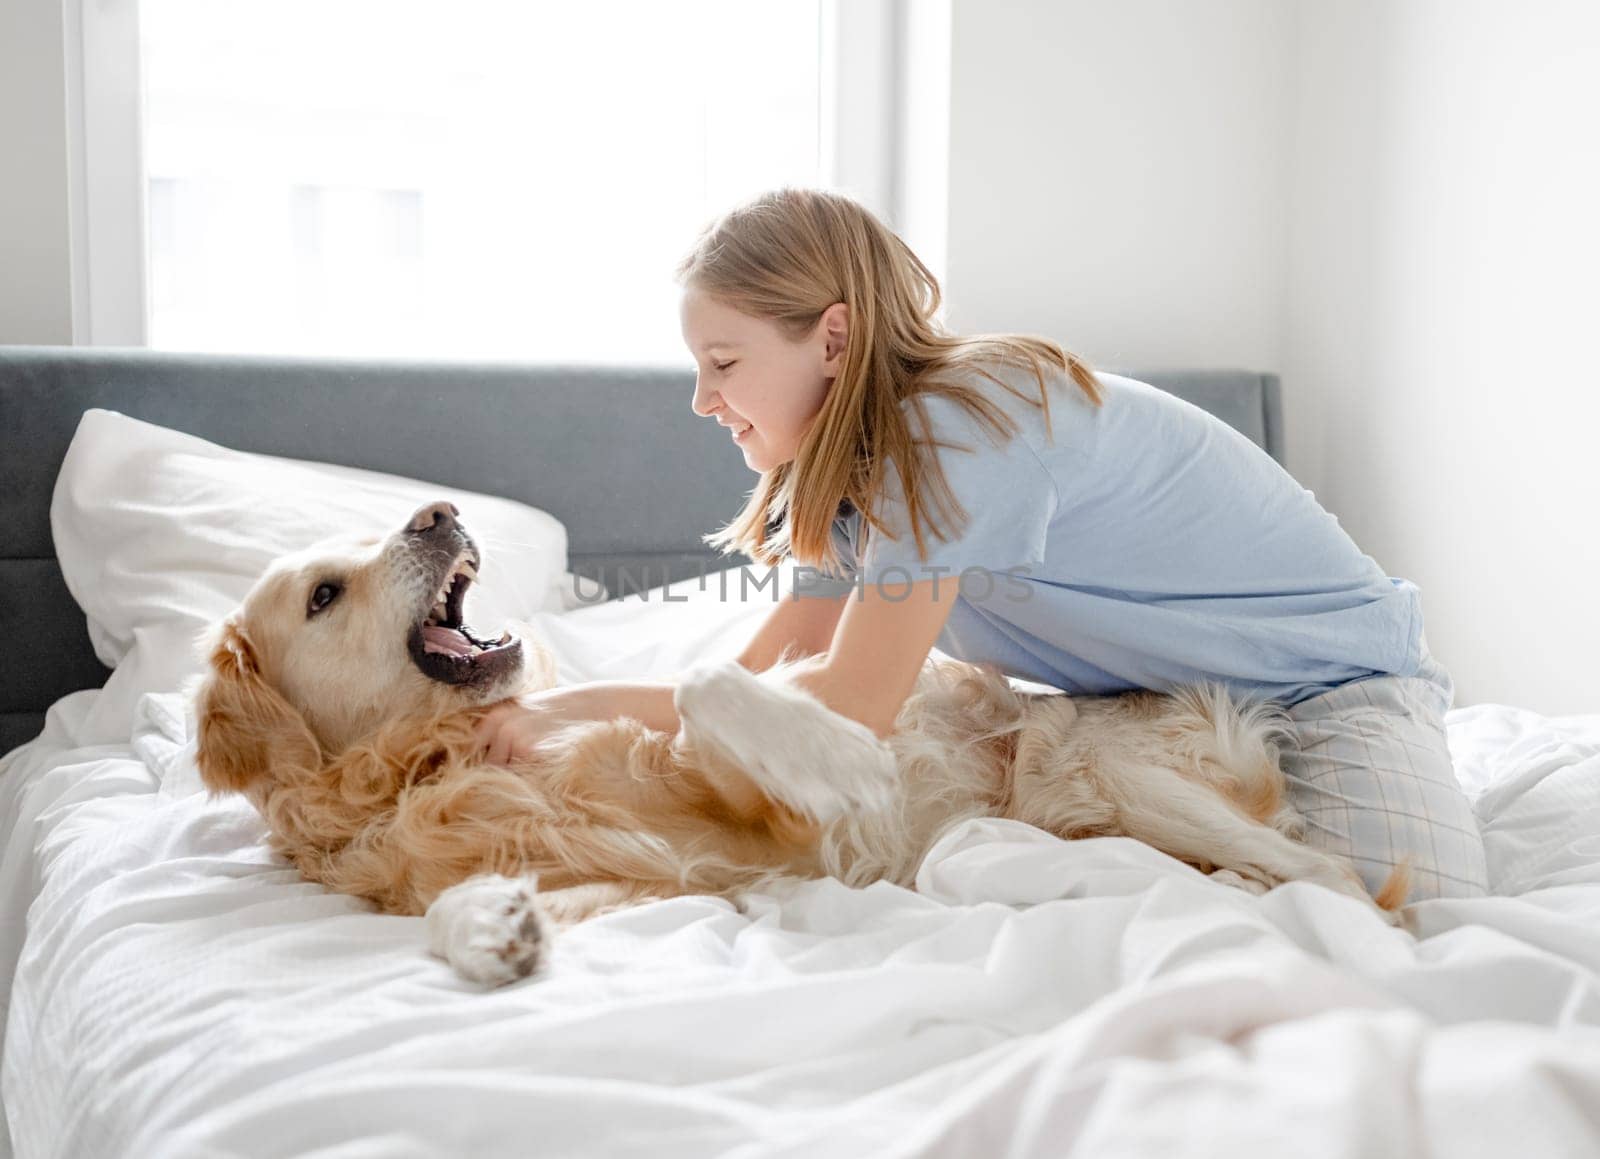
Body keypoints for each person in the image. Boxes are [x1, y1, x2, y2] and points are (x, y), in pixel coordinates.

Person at [474, 186, 1489, 904]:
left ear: (832, 339)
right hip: (1162, 709)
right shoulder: (849, 476)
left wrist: (589, 703)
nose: (703, 401)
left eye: (723, 363)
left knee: (1424, 904)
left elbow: (853, 709)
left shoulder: (954, 426)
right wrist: (588, 727)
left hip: (1331, 682)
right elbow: (771, 676)